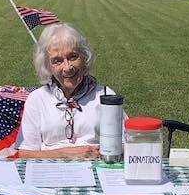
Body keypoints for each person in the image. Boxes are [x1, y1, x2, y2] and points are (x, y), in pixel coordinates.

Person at [16, 23, 119, 159]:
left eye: (72, 57)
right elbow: (25, 154)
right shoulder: (37, 99)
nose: (67, 67)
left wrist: (100, 153)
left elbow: (126, 144)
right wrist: (65, 154)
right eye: (57, 61)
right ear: (47, 66)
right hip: (50, 173)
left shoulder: (106, 96)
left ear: (84, 57)